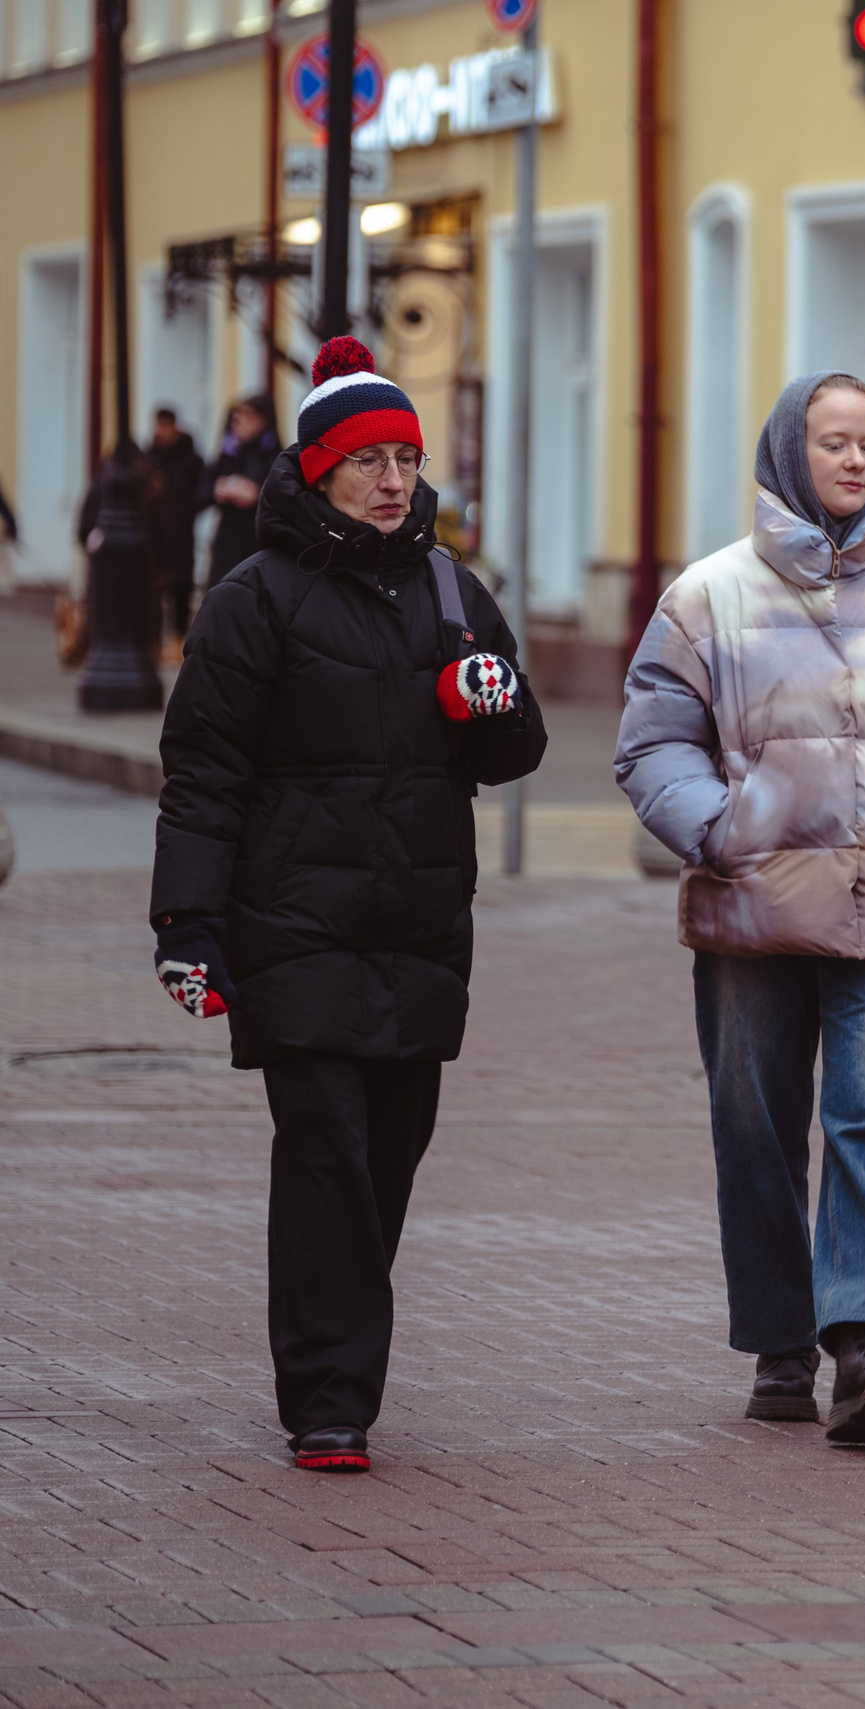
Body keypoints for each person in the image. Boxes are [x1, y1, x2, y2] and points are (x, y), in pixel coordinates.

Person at [148, 337, 545, 1475]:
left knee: (388, 1156)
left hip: (417, 925)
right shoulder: (254, 599)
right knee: (323, 1147)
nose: (392, 480)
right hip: (295, 925)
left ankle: (333, 1367)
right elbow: (205, 773)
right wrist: (188, 925)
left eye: (405, 459)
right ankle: (331, 1399)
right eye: (368, 458)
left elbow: (515, 750)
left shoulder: (451, 590)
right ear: (318, 472)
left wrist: (494, 702)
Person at [616, 372, 865, 1447]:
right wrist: (723, 830)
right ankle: (782, 1339)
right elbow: (651, 745)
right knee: (756, 1124)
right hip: (751, 907)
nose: (854, 460)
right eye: (834, 442)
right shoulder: (707, 596)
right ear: (790, 451)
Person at [200, 394, 280, 592]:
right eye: (235, 419)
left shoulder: (274, 455)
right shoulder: (228, 455)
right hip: (228, 542)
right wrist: (219, 488)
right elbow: (200, 493)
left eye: (247, 417)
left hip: (258, 543)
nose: (238, 424)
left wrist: (257, 492)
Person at [145, 407, 207, 648]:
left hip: (181, 532)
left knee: (181, 585)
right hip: (154, 534)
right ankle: (154, 641)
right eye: (158, 426)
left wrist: (186, 511)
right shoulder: (150, 458)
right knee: (153, 586)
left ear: (174, 425)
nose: (162, 431)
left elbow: (202, 490)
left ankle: (179, 637)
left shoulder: (190, 459)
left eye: (166, 425)